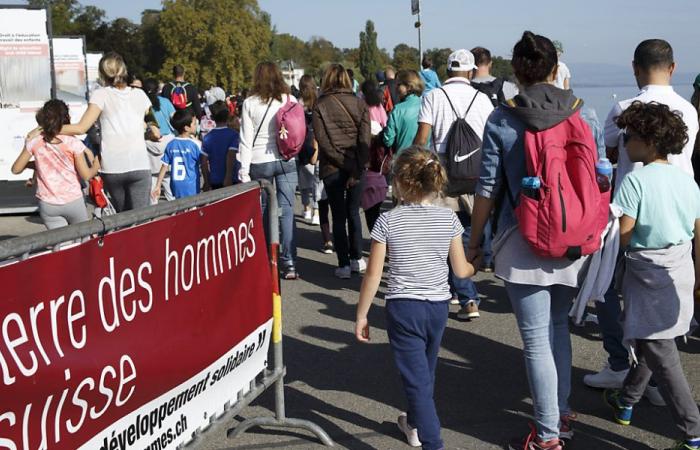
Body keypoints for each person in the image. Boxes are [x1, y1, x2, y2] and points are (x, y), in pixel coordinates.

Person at [466, 31, 606, 449]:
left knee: (535, 341)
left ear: (518, 72)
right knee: (558, 328)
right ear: (553, 68)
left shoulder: (502, 119)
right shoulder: (584, 115)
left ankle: (546, 437)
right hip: (574, 240)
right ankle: (560, 416)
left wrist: (475, 243)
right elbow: (599, 180)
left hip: (520, 238)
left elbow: (487, 190)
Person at [585, 39, 699, 406]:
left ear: (635, 67)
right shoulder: (688, 110)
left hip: (631, 216)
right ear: (674, 67)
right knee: (660, 306)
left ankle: (622, 362)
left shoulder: (623, 108)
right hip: (679, 219)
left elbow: (610, 152)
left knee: (604, 289)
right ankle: (638, 380)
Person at [355, 146, 475, 450]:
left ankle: (432, 442)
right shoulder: (448, 219)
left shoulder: (387, 221)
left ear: (399, 183)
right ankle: (414, 423)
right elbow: (461, 271)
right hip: (437, 308)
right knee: (424, 373)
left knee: (417, 381)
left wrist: (362, 314)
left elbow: (373, 275)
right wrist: (478, 261)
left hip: (403, 307)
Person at [603, 101, 700, 450]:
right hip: (681, 267)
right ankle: (626, 401)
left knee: (660, 348)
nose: (625, 142)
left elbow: (624, 232)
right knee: (653, 338)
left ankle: (692, 431)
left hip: (645, 268)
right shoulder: (687, 181)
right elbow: (697, 230)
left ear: (648, 140)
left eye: (629, 136)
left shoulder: (634, 181)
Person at [413, 48, 494, 321]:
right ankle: (464, 292)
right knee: (468, 238)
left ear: (447, 71)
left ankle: (465, 296)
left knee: (447, 238)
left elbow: (422, 139)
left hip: (442, 179)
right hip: (475, 178)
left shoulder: (433, 96)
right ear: (471, 72)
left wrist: (413, 170)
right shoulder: (482, 100)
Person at [59, 52, 153, 212]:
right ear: (124, 70)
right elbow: (153, 124)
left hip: (113, 166)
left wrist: (47, 129)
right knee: (142, 220)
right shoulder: (140, 94)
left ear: (103, 73)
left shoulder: (100, 95)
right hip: (140, 164)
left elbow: (81, 127)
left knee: (123, 219)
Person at [238, 61, 300, 280]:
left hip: (259, 160)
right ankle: (289, 260)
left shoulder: (250, 103)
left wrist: (243, 172)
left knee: (264, 210)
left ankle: (268, 257)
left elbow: (245, 140)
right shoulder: (289, 100)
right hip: (287, 158)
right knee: (287, 209)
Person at [312, 64, 371, 279]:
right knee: (354, 212)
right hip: (356, 165)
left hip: (332, 167)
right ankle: (357, 259)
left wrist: (343, 163)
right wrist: (357, 166)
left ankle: (344, 263)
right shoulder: (359, 103)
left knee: (338, 215)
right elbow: (365, 140)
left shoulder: (320, 105)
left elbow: (324, 142)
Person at [11, 100, 100, 229]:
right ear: (66, 118)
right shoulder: (72, 142)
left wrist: (31, 164)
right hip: (73, 200)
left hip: (47, 203)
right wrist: (96, 166)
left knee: (60, 243)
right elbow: (86, 175)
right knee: (82, 239)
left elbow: (16, 169)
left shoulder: (35, 141)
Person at [153, 110, 207, 200]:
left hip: (176, 186)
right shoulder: (196, 144)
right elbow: (204, 165)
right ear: (186, 128)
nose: (196, 125)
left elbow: (164, 166)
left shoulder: (171, 144)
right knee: (192, 210)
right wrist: (207, 181)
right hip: (192, 186)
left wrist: (158, 185)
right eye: (194, 124)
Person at [361, 79, 389, 233]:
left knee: (370, 211)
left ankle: (376, 236)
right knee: (377, 209)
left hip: (367, 152)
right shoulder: (379, 106)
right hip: (379, 151)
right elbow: (385, 125)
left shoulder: (363, 106)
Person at [297, 74, 324, 228]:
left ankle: (306, 207)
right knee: (317, 181)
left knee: (303, 180)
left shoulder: (299, 103)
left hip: (301, 143)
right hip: (316, 142)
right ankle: (316, 212)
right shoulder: (318, 102)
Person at [143, 77, 176, 204]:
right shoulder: (166, 102)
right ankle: (175, 212)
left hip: (150, 143)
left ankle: (154, 216)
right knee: (168, 180)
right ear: (158, 89)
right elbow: (174, 118)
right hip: (167, 142)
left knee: (152, 182)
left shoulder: (142, 105)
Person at [384, 70, 425, 154]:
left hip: (402, 160)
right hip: (425, 159)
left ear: (409, 87)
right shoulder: (427, 106)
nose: (396, 88)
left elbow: (388, 141)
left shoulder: (397, 109)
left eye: (399, 84)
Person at [202, 100, 240, 189]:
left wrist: (206, 182)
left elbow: (203, 162)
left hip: (214, 179)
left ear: (212, 117)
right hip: (231, 179)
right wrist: (228, 176)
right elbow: (231, 155)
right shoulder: (234, 135)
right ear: (228, 115)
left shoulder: (207, 137)